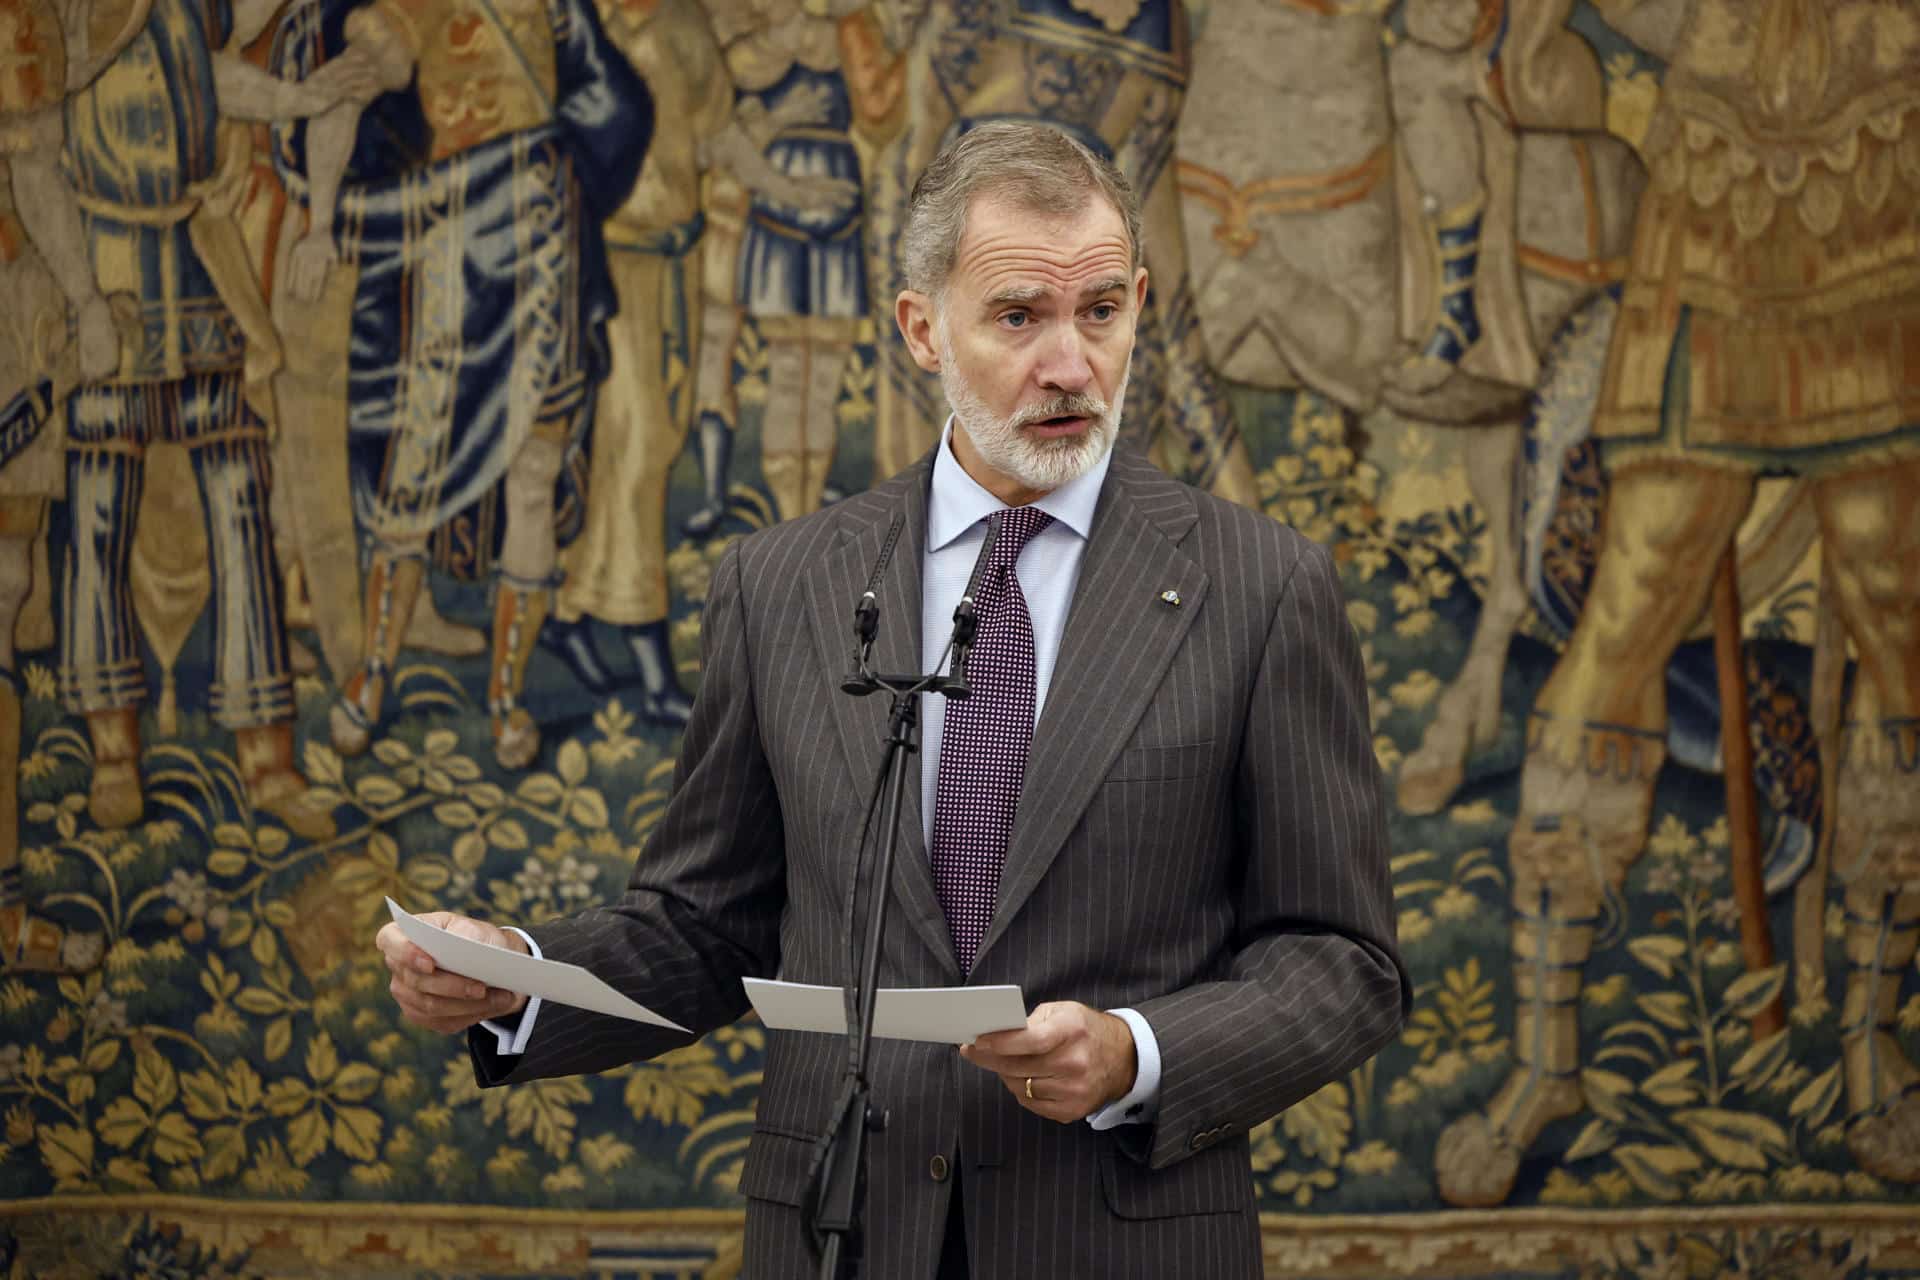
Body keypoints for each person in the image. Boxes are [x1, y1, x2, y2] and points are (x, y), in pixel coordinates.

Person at [378, 122, 1406, 1278]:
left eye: (1103, 311)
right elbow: (706, 928)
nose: (1071, 363)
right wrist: (511, 974)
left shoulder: (1263, 586)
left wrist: (1137, 1051)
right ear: (923, 327)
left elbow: (1341, 957)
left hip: (1124, 1237)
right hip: (842, 1233)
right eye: (1020, 316)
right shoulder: (782, 585)